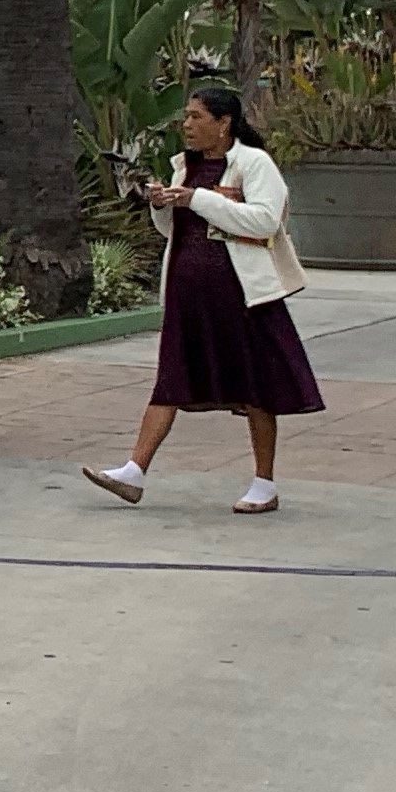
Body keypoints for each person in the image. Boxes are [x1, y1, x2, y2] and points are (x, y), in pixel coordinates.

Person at [85, 81, 321, 514]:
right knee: (170, 379)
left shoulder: (253, 163)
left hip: (243, 295)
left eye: (197, 117)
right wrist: (163, 204)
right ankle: (134, 470)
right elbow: (174, 230)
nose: (187, 126)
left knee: (255, 387)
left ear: (224, 123)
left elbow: (265, 221)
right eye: (186, 118)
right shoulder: (185, 167)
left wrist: (199, 199)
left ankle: (264, 483)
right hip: (188, 293)